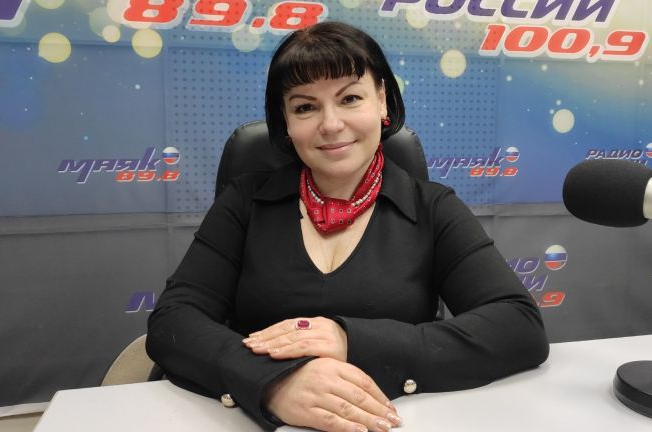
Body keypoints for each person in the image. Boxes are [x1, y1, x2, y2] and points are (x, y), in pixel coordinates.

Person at [146, 21, 549, 432]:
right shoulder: (244, 202)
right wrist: (271, 382)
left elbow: (519, 327)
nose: (331, 124)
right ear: (286, 122)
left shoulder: (433, 208)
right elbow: (173, 322)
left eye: (350, 98)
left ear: (382, 102)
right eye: (305, 107)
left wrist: (349, 339)